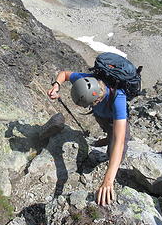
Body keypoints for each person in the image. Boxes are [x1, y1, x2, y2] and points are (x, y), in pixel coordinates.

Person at [47, 71, 130, 206]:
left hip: (116, 118)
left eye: (89, 105)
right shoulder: (84, 82)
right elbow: (65, 74)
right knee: (109, 134)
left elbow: (119, 141)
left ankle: (112, 166)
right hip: (102, 116)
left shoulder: (118, 98)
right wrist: (56, 85)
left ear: (97, 100)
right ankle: (106, 139)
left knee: (116, 148)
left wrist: (107, 181)